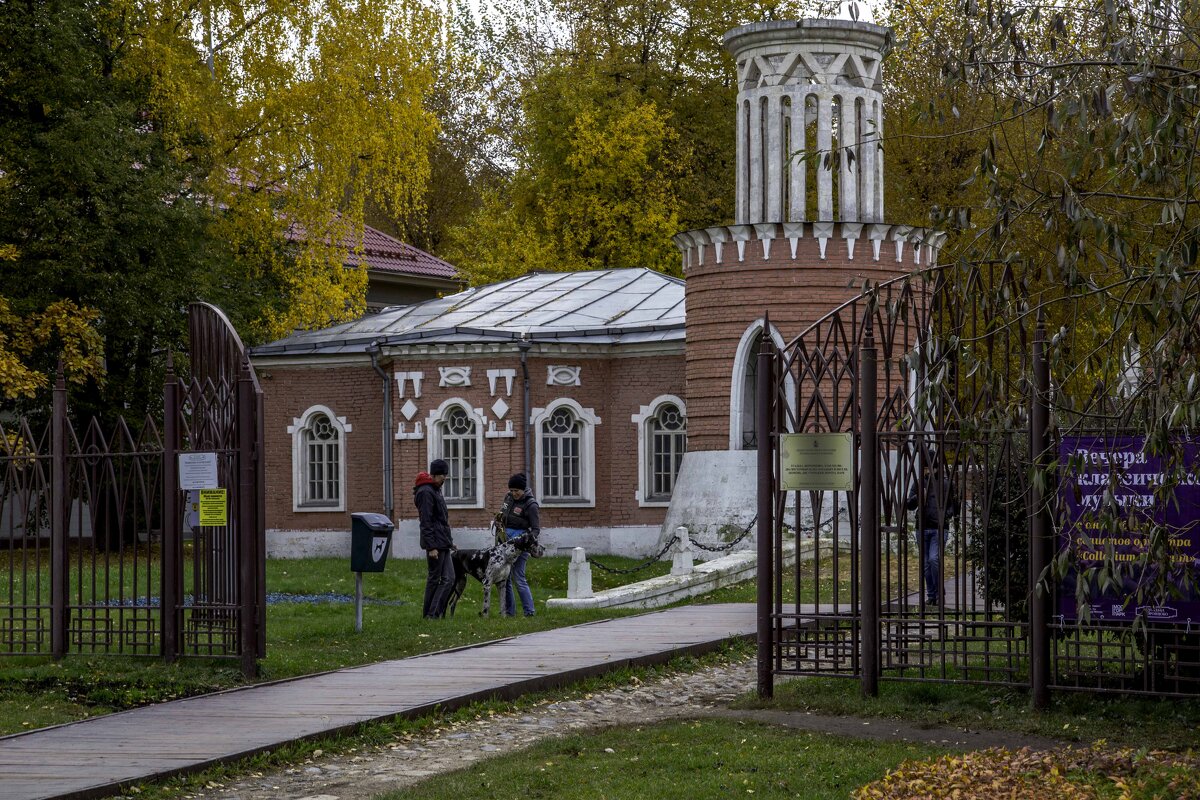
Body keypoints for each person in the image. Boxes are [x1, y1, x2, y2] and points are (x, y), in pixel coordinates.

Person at [906, 452, 959, 606]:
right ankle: (931, 595)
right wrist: (918, 497)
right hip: (921, 527)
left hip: (939, 528)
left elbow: (954, 505)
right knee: (925, 564)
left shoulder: (946, 484)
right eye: (926, 467)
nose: (929, 470)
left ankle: (938, 591)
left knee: (933, 559)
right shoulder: (919, 483)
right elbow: (909, 505)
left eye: (931, 466)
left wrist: (946, 516)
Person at [496, 472, 540, 617]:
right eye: (512, 490)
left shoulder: (531, 504)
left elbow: (535, 530)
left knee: (518, 577)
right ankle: (510, 612)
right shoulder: (508, 498)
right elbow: (502, 514)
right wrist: (498, 521)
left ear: (523, 489)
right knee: (505, 578)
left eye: (517, 491)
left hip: (521, 545)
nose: (514, 493)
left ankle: (529, 611)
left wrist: (523, 541)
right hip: (505, 543)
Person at [415, 459, 454, 618]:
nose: (445, 479)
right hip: (435, 544)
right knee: (436, 579)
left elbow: (441, 521)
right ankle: (431, 615)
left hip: (442, 542)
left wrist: (449, 542)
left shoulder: (435, 489)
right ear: (435, 474)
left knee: (449, 578)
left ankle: (434, 614)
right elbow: (426, 521)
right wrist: (431, 547)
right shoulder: (426, 492)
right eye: (443, 475)